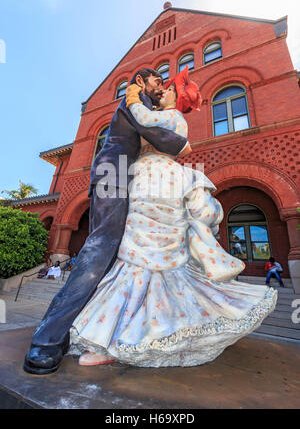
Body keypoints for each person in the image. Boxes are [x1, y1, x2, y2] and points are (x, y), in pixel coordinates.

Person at [68, 67, 278, 368]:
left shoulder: (172, 117)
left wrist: (132, 97)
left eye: (167, 89)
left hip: (155, 182)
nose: (162, 90)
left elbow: (144, 120)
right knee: (142, 259)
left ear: (176, 99)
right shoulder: (167, 118)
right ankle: (124, 337)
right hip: (148, 179)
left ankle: (110, 341)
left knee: (136, 255)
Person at [23, 68, 191, 375]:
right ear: (141, 81)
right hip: (113, 175)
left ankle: (91, 330)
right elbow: (152, 131)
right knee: (99, 251)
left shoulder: (148, 106)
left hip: (130, 181)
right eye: (157, 80)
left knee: (120, 257)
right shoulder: (134, 100)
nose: (160, 86)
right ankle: (47, 340)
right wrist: (180, 144)